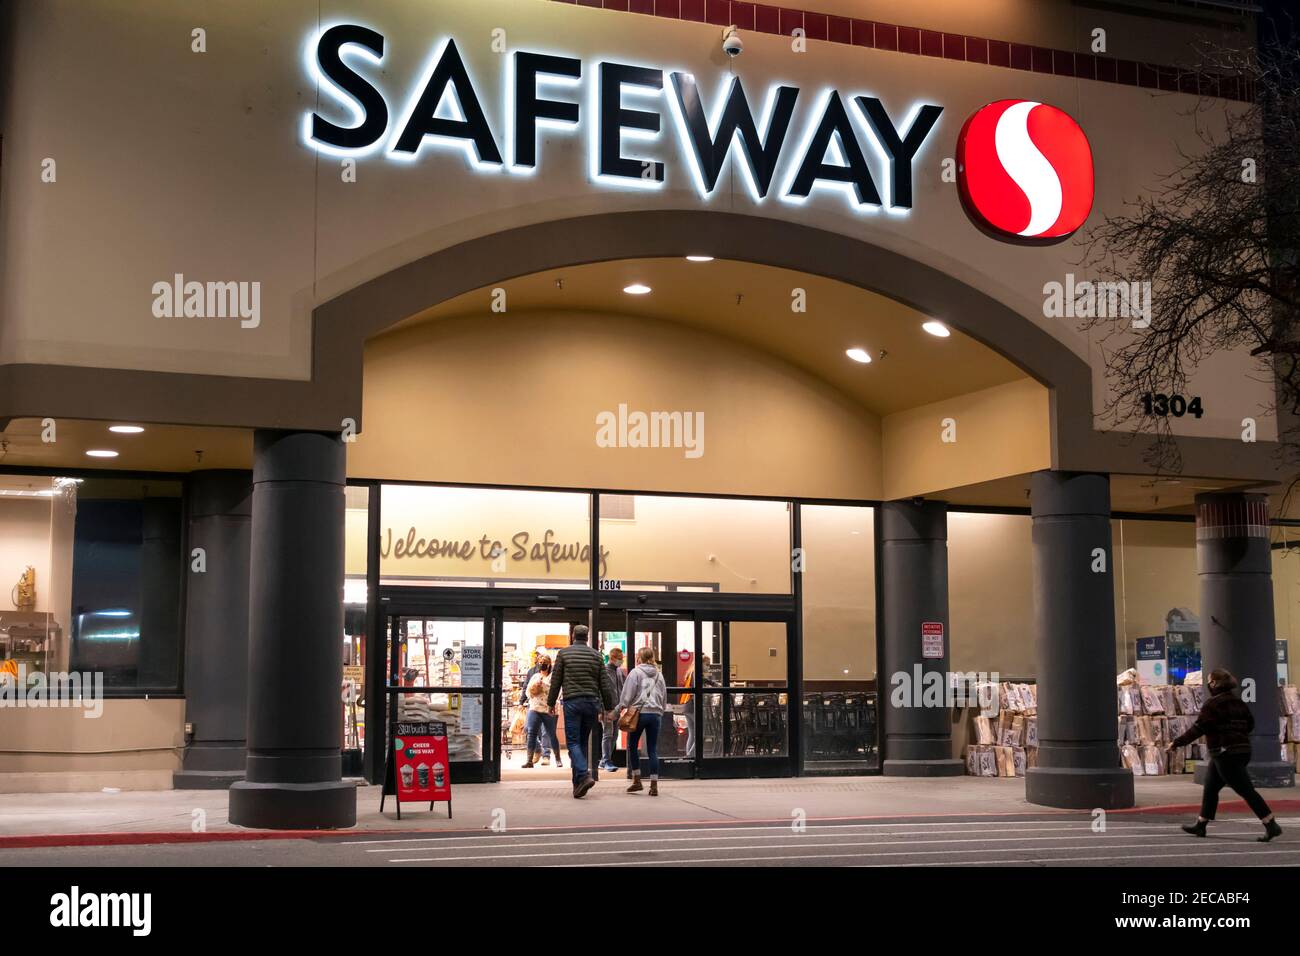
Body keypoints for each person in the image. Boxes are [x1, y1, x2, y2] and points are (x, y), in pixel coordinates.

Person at [1167, 668, 1283, 842]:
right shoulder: (1239, 703)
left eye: (1209, 681)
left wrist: (1177, 743)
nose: (1208, 684)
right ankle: (1201, 824)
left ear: (1214, 683)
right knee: (1211, 787)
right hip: (1242, 750)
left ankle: (1270, 823)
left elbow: (1198, 729)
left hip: (1225, 753)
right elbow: (1250, 724)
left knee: (1246, 790)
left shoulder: (1212, 705)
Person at [547, 624, 616, 798]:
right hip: (591, 703)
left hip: (572, 702)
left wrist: (550, 702)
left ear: (572, 636)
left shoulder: (564, 654)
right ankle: (578, 785)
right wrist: (608, 708)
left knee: (573, 742)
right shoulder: (596, 656)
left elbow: (556, 680)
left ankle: (583, 775)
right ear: (587, 637)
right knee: (583, 742)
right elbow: (604, 684)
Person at [620, 646, 668, 796]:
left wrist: (619, 709)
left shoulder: (635, 672)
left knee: (632, 745)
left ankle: (637, 780)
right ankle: (654, 785)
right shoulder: (659, 675)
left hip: (639, 714)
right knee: (652, 749)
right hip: (655, 715)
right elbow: (663, 696)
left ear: (639, 658)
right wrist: (660, 710)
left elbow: (627, 695)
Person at [519, 652, 558, 767]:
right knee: (527, 729)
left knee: (547, 732)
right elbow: (526, 687)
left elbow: (555, 690)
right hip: (534, 706)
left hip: (547, 708)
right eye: (540, 662)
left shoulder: (553, 675)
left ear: (549, 664)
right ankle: (537, 749)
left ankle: (546, 755)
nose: (542, 664)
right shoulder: (532, 672)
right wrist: (522, 701)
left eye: (544, 663)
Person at [680, 654, 715, 758]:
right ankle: (690, 755)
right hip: (693, 706)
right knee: (701, 732)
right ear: (701, 664)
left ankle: (689, 755)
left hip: (687, 706)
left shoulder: (692, 673)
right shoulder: (697, 675)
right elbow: (698, 690)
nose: (708, 667)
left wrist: (713, 683)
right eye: (707, 665)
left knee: (692, 733)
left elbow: (706, 681)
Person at [599, 647, 628, 772]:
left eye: (622, 659)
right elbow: (600, 691)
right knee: (608, 734)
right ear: (611, 658)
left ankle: (605, 760)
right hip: (606, 708)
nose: (621, 661)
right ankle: (606, 761)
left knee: (615, 735)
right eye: (619, 659)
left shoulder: (620, 672)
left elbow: (623, 688)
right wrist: (600, 709)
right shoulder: (604, 671)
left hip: (617, 708)